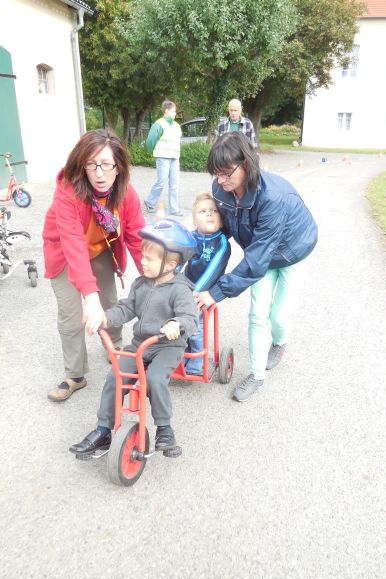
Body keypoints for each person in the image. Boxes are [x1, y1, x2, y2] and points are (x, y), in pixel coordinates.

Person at [195, 132, 318, 402]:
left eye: (227, 173)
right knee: (257, 314)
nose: (221, 180)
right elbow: (224, 226)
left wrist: (216, 292)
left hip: (293, 252)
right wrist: (199, 244)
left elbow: (255, 262)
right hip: (261, 253)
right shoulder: (222, 189)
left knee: (279, 317)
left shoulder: (273, 198)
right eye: (217, 174)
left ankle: (280, 342)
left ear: (246, 164)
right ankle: (256, 374)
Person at [69, 219, 199, 456]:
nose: (142, 261)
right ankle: (103, 430)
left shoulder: (180, 289)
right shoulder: (141, 284)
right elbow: (127, 308)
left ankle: (164, 428)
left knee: (155, 378)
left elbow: (190, 317)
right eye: (142, 256)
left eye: (149, 259)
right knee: (115, 377)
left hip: (167, 346)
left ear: (171, 264)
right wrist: (105, 318)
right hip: (141, 344)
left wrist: (176, 324)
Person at [43, 128, 145, 402]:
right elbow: (73, 243)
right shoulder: (67, 192)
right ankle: (75, 375)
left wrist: (154, 276)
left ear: (118, 166)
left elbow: (137, 237)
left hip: (99, 246)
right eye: (92, 164)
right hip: (65, 250)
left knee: (109, 302)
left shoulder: (126, 193)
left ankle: (117, 351)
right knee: (71, 313)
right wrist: (89, 296)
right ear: (82, 165)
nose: (99, 173)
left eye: (106, 164)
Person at [184, 193, 231, 374]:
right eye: (203, 211)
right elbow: (178, 260)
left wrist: (194, 294)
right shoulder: (190, 237)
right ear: (195, 221)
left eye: (214, 211)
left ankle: (197, 358)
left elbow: (213, 271)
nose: (209, 214)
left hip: (206, 291)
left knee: (196, 322)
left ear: (221, 220)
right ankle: (181, 351)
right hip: (189, 286)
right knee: (172, 312)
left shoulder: (222, 243)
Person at [144, 100, 183, 216]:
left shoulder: (176, 126)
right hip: (162, 157)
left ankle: (174, 209)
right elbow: (150, 141)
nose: (175, 113)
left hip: (175, 157)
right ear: (166, 111)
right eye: (173, 111)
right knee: (161, 182)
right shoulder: (158, 124)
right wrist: (152, 153)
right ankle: (150, 201)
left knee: (174, 184)